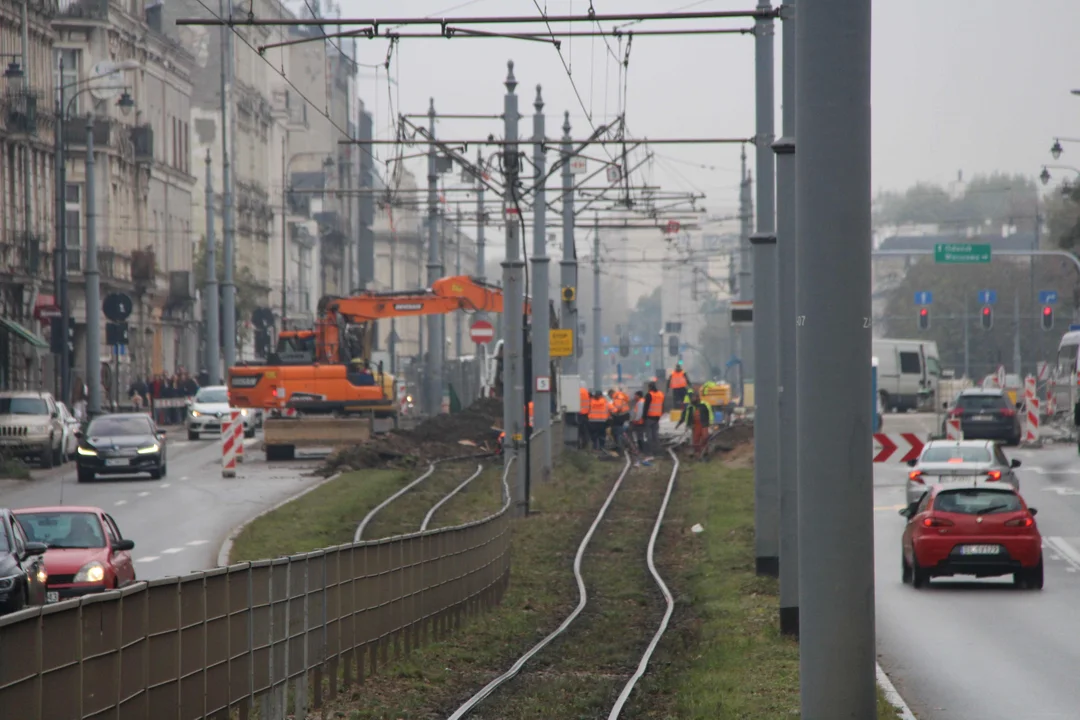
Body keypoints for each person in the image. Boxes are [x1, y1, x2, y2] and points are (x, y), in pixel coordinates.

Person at [676, 390, 714, 458]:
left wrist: (711, 423)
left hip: (704, 424)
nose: (692, 399)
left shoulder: (705, 404)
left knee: (705, 437)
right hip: (695, 425)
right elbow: (687, 416)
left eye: (694, 398)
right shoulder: (690, 407)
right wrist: (688, 425)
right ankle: (697, 453)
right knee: (696, 440)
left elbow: (710, 413)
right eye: (692, 398)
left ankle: (705, 452)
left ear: (698, 397)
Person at [641, 382, 665, 454]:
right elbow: (663, 405)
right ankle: (657, 450)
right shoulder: (661, 394)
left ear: (649, 387)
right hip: (657, 417)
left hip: (649, 417)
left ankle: (650, 450)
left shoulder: (649, 395)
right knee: (655, 435)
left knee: (649, 435)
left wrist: (644, 417)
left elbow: (646, 407)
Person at [629, 390, 647, 454]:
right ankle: (640, 449)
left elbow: (639, 413)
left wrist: (635, 420)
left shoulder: (640, 402)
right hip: (640, 422)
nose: (634, 397)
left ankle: (639, 449)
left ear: (638, 396)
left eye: (635, 395)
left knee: (639, 436)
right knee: (640, 436)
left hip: (639, 422)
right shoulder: (641, 401)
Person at [578, 385, 591, 449]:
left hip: (579, 413)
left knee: (580, 431)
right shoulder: (585, 391)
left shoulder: (577, 391)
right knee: (585, 430)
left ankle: (581, 445)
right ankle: (585, 444)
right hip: (586, 414)